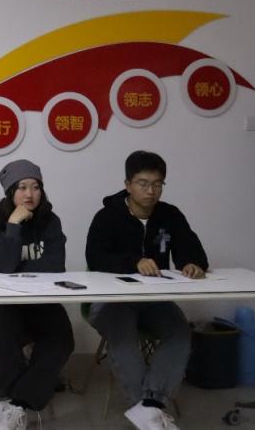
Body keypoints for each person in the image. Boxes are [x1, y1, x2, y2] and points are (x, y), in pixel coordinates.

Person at [85, 150, 208, 430]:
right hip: (113, 300)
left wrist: (193, 263)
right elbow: (96, 258)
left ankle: (149, 406)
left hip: (155, 300)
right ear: (128, 184)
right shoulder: (107, 217)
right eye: (143, 183)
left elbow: (192, 249)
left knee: (180, 332)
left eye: (157, 184)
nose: (151, 191)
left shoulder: (170, 215)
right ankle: (149, 412)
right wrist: (134, 263)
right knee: (123, 336)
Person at [0, 160, 74, 430]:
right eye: (22, 187)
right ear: (10, 192)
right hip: (4, 302)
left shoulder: (51, 222)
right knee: (4, 334)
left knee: (62, 340)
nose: (29, 194)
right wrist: (13, 225)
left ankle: (15, 402)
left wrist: (16, 270)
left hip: (40, 301)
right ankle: (15, 397)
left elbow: (56, 266)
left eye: (35, 187)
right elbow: (4, 265)